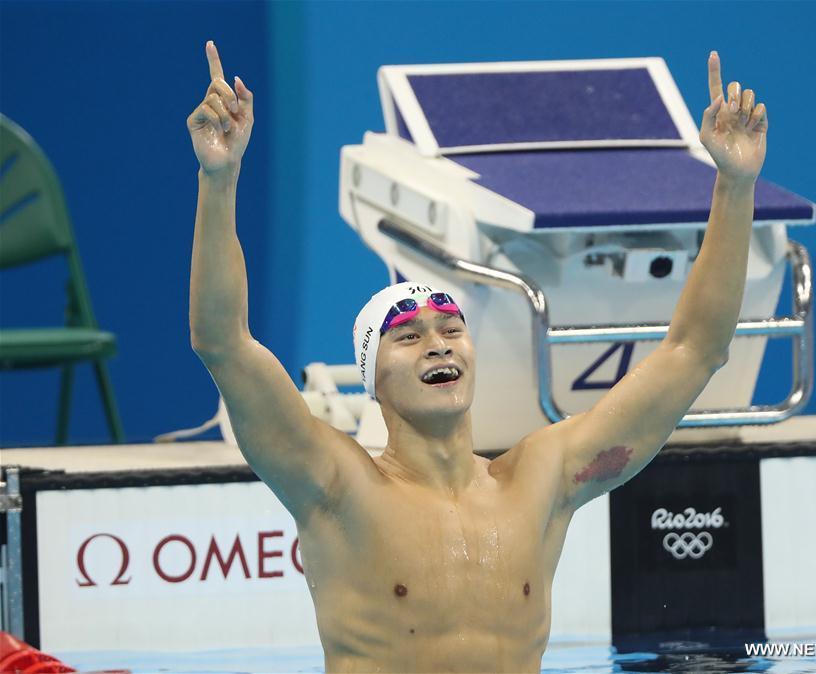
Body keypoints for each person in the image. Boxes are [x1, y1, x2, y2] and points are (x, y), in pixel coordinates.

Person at [187, 40, 766, 673]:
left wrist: (734, 187)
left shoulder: (542, 479)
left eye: (451, 329)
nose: (437, 342)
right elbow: (225, 343)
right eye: (407, 337)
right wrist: (219, 180)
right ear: (372, 382)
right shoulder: (334, 485)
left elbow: (694, 350)